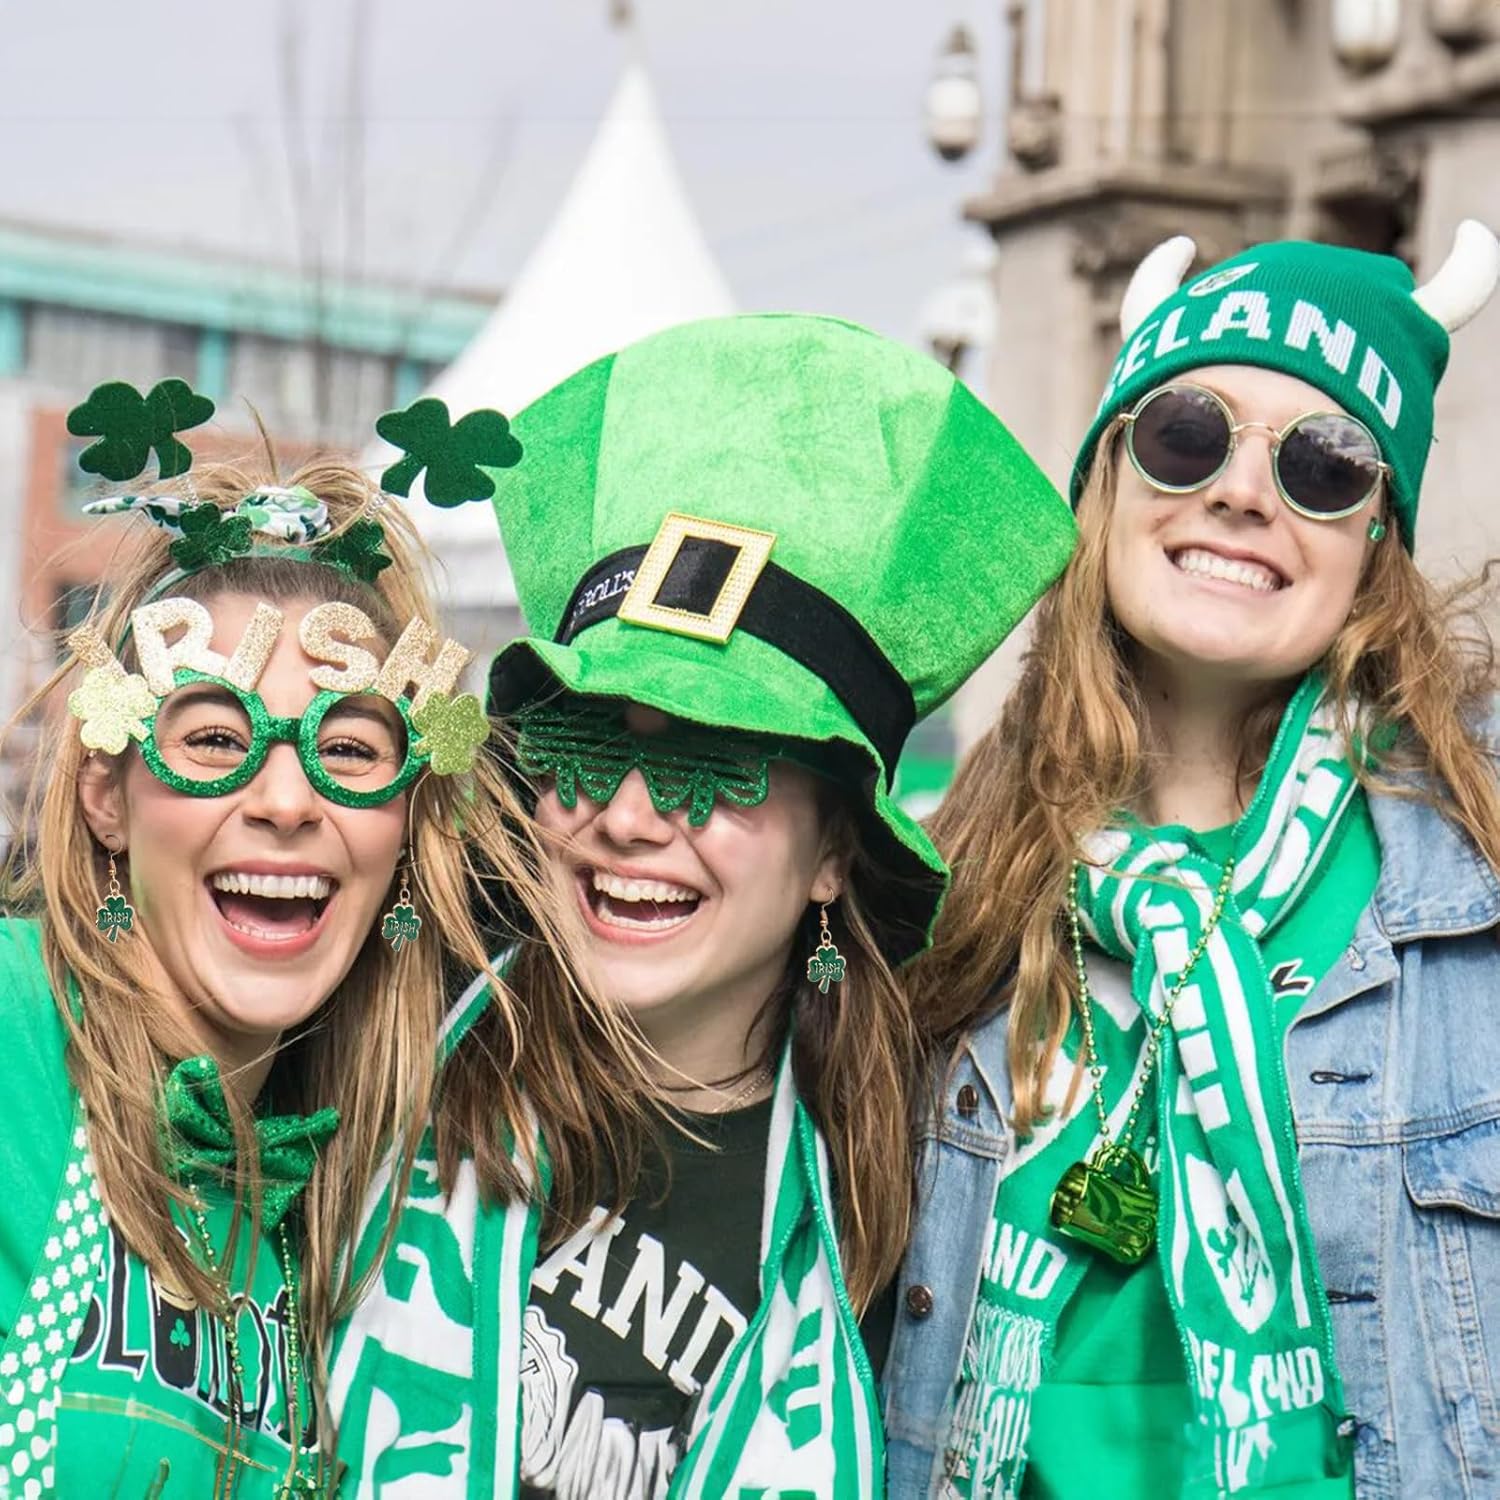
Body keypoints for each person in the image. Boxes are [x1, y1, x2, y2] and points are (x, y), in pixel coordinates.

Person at [328, 312, 1079, 1498]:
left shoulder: (917, 1193)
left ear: (838, 847)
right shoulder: (377, 1047)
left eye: (712, 761)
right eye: (585, 739)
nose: (627, 818)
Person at [882, 220, 1500, 1499]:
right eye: (1188, 435)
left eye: (1325, 465)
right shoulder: (939, 895)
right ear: (1108, 485)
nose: (1242, 493)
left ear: (1378, 540)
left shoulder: (1474, 876)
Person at [0, 388, 602, 1497]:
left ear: (409, 831)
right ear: (107, 798)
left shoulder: (339, 1200)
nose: (286, 799)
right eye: (218, 738)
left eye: (353, 750)